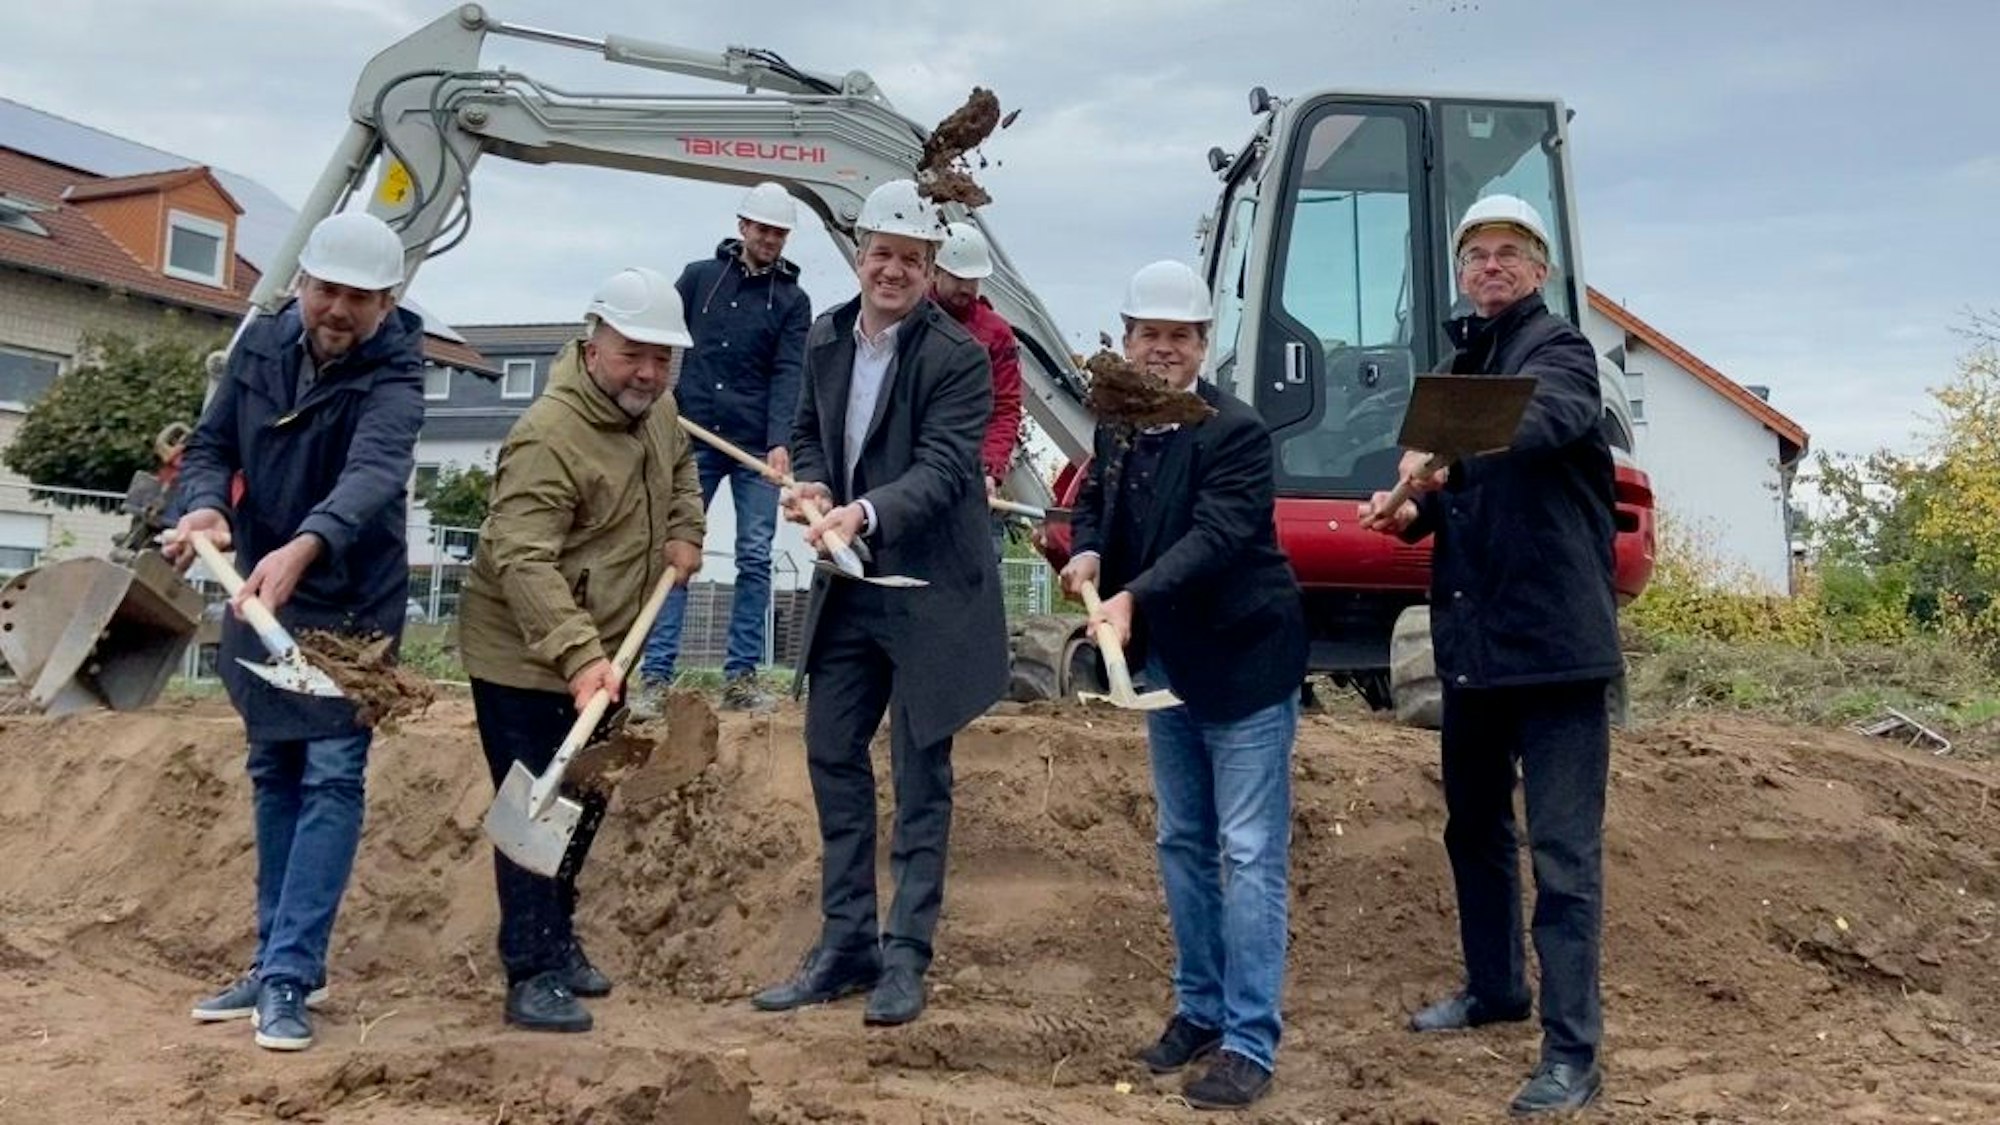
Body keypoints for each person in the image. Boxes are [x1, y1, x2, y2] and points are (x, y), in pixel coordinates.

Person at [1358, 194, 1619, 1117]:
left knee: (1562, 856)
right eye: (1477, 255)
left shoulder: (1560, 354)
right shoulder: (1464, 363)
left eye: (1511, 253)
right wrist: (1409, 508)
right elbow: (1464, 494)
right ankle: (1496, 987)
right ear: (1461, 272)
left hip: (1554, 651)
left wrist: (1436, 458)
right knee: (1472, 828)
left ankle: (1572, 1053)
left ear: (1540, 270)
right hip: (1473, 647)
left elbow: (1539, 423)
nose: (1492, 267)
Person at [750, 180, 1007, 1028]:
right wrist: (816, 483)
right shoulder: (825, 336)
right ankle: (847, 943)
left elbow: (942, 470)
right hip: (849, 583)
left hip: (928, 588)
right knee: (831, 749)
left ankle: (906, 956)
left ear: (932, 269)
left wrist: (864, 511)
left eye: (911, 258)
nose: (893, 269)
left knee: (920, 772)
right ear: (858, 254)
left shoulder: (957, 358)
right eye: (881, 253)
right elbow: (811, 432)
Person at [165, 211, 424, 1052]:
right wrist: (203, 502)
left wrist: (304, 547)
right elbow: (209, 446)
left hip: (347, 600)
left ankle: (288, 974)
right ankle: (277, 955)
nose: (337, 310)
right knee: (273, 766)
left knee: (332, 773)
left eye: (358, 296)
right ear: (301, 286)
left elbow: (373, 475)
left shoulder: (398, 372)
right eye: (325, 290)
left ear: (386, 303)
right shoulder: (259, 347)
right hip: (260, 592)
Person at [1058, 260, 1307, 1111]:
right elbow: (1096, 502)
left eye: (1180, 337)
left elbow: (1218, 538)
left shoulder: (1233, 432)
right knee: (1182, 842)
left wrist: (1130, 596)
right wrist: (1088, 550)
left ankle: (1248, 1039)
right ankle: (1200, 1009)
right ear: (1126, 340)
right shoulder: (1122, 422)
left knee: (1247, 851)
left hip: (1243, 663)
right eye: (1149, 335)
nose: (1162, 351)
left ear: (1203, 345)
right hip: (1169, 666)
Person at [455, 267, 706, 1034]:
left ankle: (558, 941)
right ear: (594, 341)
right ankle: (530, 969)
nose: (650, 372)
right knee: (536, 802)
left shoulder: (656, 412)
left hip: (606, 648)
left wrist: (685, 528)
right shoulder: (548, 436)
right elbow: (520, 560)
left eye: (663, 358)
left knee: (584, 800)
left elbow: (683, 468)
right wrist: (574, 657)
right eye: (635, 353)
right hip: (526, 655)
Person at [638, 182, 811, 712]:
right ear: (742, 227)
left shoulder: (792, 301)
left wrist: (782, 441)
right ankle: (655, 676)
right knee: (676, 549)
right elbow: (660, 337)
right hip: (694, 436)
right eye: (762, 229)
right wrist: (655, 405)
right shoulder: (698, 280)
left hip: (757, 446)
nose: (769, 240)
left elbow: (789, 373)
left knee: (756, 557)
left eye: (779, 233)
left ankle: (741, 677)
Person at [929, 220, 1023, 557]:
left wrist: (990, 469)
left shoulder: (996, 333)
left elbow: (1007, 405)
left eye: (973, 279)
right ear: (935, 271)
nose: (966, 287)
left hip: (972, 471)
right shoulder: (910, 319)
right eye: (958, 278)